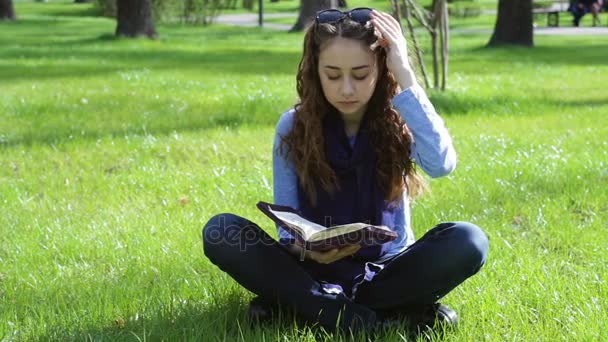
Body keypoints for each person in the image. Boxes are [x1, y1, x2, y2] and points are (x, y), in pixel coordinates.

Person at [202, 7, 489, 334]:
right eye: (333, 75)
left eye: (361, 73)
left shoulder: (400, 120)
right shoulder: (293, 127)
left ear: (381, 68)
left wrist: (405, 72)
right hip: (312, 268)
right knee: (220, 231)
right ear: (315, 71)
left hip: (385, 270)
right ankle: (380, 314)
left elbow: (441, 164)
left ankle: (309, 307)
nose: (347, 89)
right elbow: (287, 228)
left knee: (469, 239)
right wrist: (309, 249)